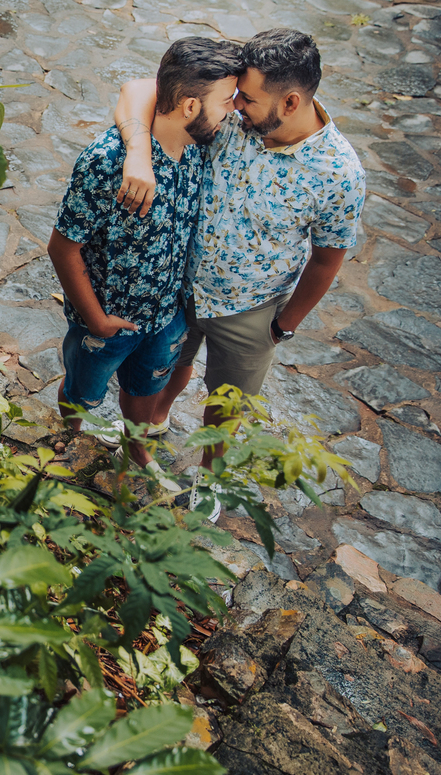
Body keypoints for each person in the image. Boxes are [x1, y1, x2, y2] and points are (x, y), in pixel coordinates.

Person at [114, 28, 366, 521]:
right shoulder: (230, 118)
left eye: (246, 98)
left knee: (227, 406)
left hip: (251, 310)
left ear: (290, 101)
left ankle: (211, 477)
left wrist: (285, 323)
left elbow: (327, 257)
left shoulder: (340, 173)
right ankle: (154, 422)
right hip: (180, 286)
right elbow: (142, 90)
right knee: (170, 366)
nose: (236, 105)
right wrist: (137, 152)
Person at [47, 37, 244, 487]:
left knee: (146, 392)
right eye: (226, 101)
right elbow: (63, 247)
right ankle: (69, 435)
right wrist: (96, 320)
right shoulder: (108, 162)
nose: (232, 110)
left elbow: (143, 86)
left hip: (166, 318)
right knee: (82, 392)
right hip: (106, 321)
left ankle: (137, 450)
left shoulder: (196, 148)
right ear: (191, 106)